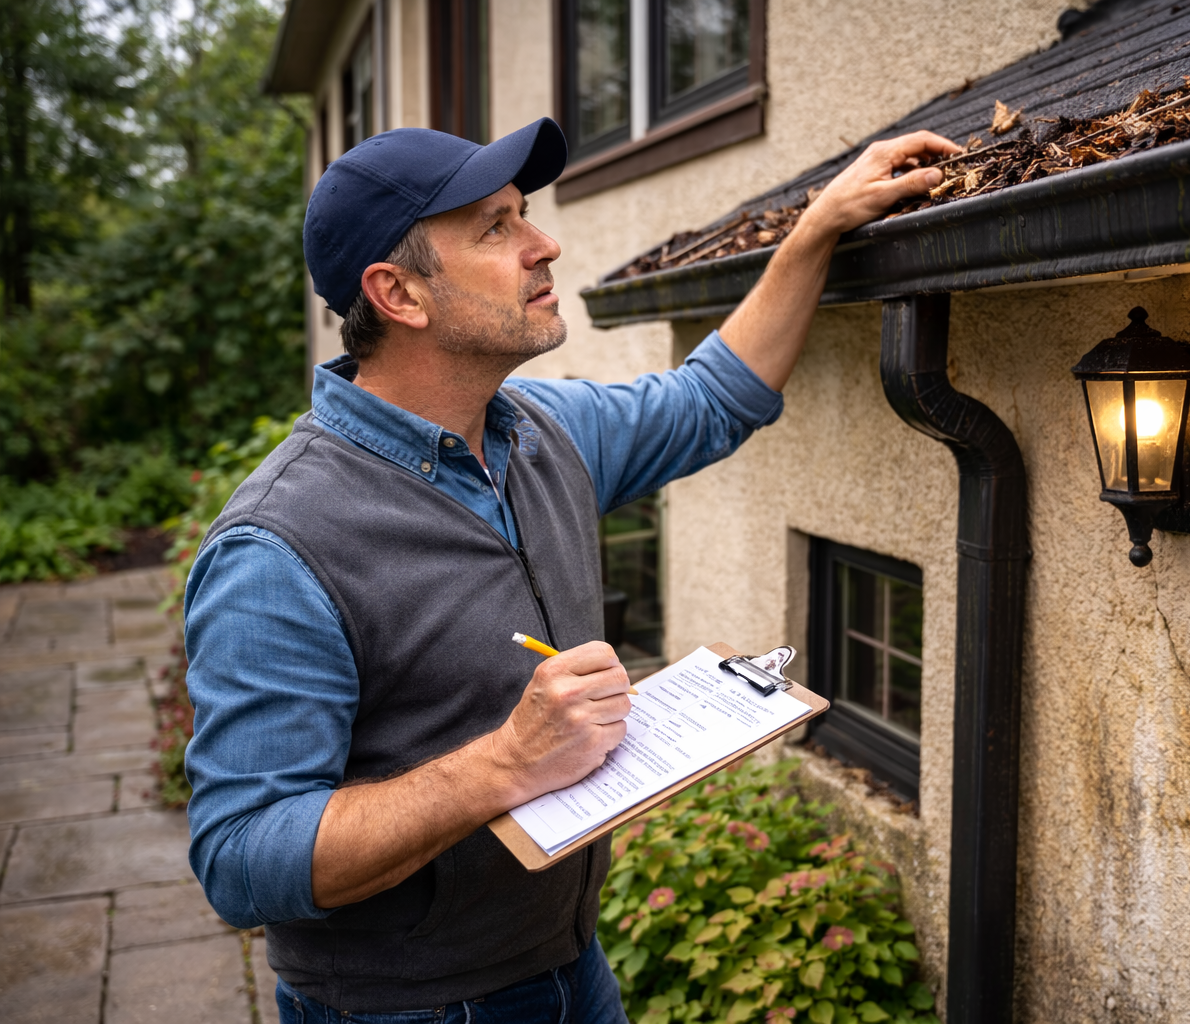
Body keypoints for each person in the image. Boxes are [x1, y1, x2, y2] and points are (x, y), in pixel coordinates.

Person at [183, 117, 958, 1022]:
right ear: (398, 294)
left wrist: (818, 227)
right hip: (409, 1007)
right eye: (495, 228)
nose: (544, 244)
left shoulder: (541, 433)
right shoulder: (278, 547)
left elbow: (711, 398)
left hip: (574, 970)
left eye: (527, 215)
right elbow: (242, 860)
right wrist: (506, 763)